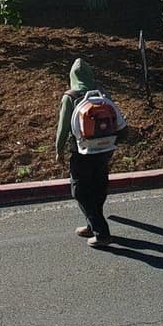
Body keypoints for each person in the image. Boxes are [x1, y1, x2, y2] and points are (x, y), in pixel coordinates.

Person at [55, 57, 127, 248]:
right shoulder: (102, 94)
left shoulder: (70, 97)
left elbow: (63, 128)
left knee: (80, 191)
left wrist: (58, 150)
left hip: (82, 151)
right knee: (98, 186)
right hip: (105, 149)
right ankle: (91, 224)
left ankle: (101, 232)